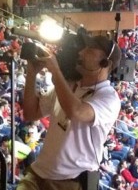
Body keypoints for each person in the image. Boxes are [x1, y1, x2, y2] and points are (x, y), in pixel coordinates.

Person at [18, 35, 122, 190]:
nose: (81, 52)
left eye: (90, 50)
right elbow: (30, 114)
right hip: (37, 173)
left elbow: (76, 112)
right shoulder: (66, 86)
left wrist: (55, 70)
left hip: (69, 182)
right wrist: (32, 73)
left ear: (105, 63)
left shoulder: (109, 97)